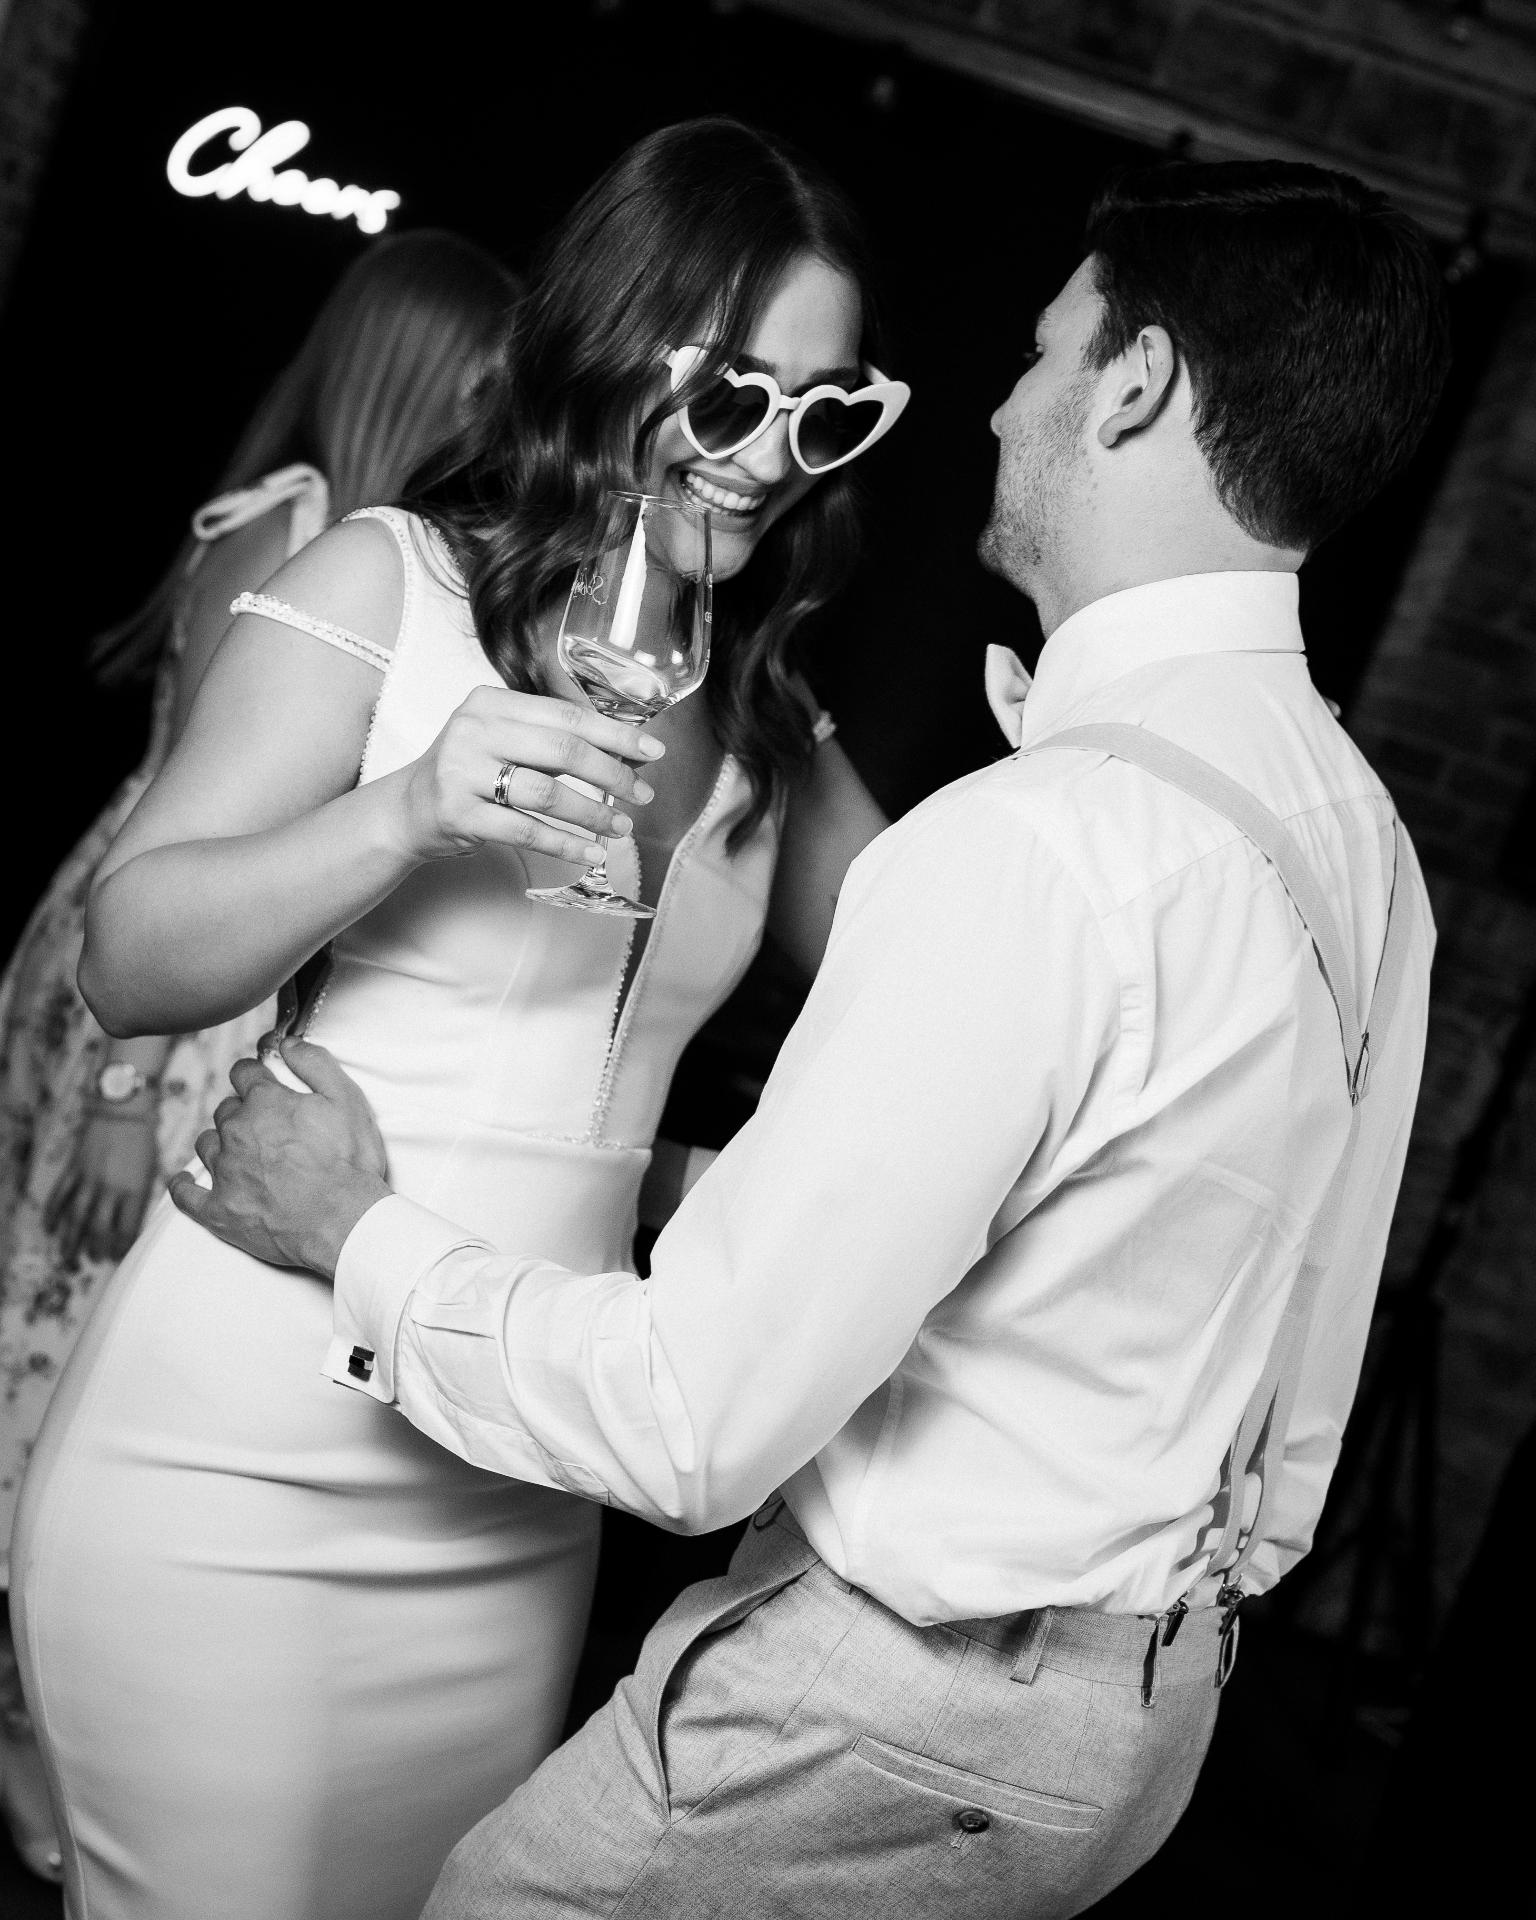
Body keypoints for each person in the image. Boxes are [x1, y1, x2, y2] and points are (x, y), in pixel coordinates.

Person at [168, 158, 1450, 1919]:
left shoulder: (1042, 838)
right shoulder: (1362, 839)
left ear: (1136, 383)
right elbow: (1163, 1249)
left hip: (864, 1688)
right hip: (1137, 1716)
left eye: (1036, 354)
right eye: (733, 393)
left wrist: (350, 1227)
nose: (997, 410)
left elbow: (695, 1423)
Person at [10, 119, 900, 1920]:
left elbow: (946, 972)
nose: (770, 462)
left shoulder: (770, 727)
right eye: (732, 398)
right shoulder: (384, 585)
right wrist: (408, 808)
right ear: (614, 349)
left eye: (827, 415)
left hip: (514, 1484)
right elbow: (131, 953)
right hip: (240, 1452)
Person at [0, 226, 517, 1883]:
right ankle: (56, 1775)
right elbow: (189, 847)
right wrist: (118, 1097)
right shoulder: (301, 535)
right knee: (58, 1328)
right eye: (488, 376)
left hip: (225, 976)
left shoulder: (331, 535)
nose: (509, 407)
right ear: (422, 371)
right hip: (156, 998)